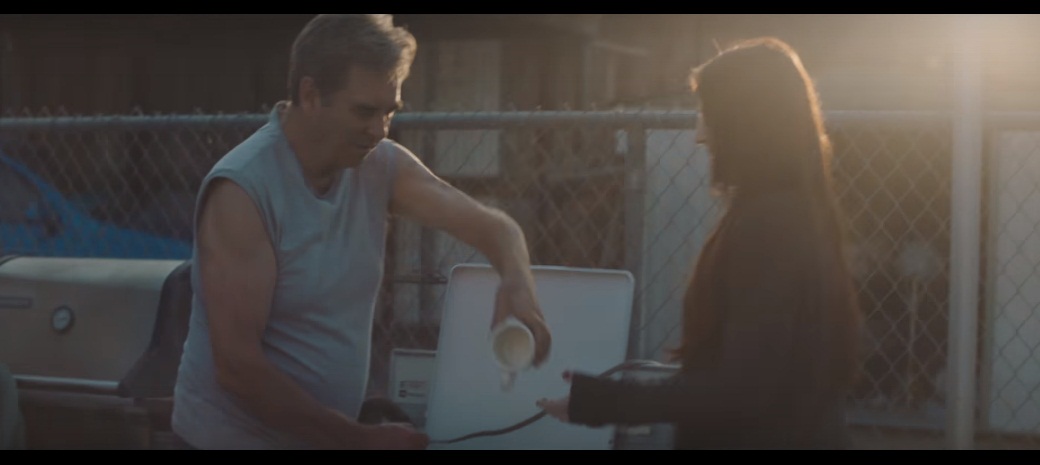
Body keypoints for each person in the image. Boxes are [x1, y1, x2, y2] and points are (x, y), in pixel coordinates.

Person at [170, 14, 552, 450]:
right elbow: (238, 368)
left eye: (390, 112)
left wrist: (517, 282)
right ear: (310, 95)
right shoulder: (244, 190)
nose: (379, 129)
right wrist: (357, 439)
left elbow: (496, 228)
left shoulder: (380, 165)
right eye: (365, 111)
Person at [536, 37, 864, 450]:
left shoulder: (769, 226)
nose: (699, 135)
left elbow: (740, 389)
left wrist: (605, 401)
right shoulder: (796, 212)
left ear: (744, 123)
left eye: (708, 113)